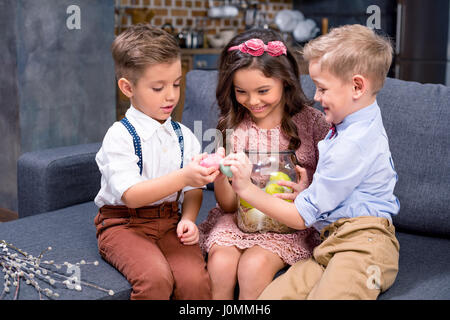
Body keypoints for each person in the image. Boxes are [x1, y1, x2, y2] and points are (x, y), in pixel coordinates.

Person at [224, 24, 400, 300]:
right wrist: (309, 192)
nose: (316, 97)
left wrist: (246, 189)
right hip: (331, 241)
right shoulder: (352, 120)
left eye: (322, 88)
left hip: (365, 246)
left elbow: (299, 218)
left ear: (357, 86)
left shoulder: (353, 142)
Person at [198, 28, 330, 300]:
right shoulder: (233, 127)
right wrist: (223, 176)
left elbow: (331, 187)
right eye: (241, 92)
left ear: (285, 81)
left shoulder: (313, 123)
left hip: (287, 225)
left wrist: (306, 191)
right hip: (238, 221)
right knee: (221, 264)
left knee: (253, 266)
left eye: (263, 90)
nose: (253, 101)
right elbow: (229, 206)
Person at [93, 24, 219, 300]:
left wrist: (188, 219)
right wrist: (185, 176)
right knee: (155, 278)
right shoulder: (120, 137)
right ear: (128, 88)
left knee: (195, 282)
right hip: (123, 225)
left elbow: (192, 191)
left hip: (170, 222)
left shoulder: (185, 136)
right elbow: (133, 197)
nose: (171, 95)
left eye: (176, 83)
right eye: (158, 87)